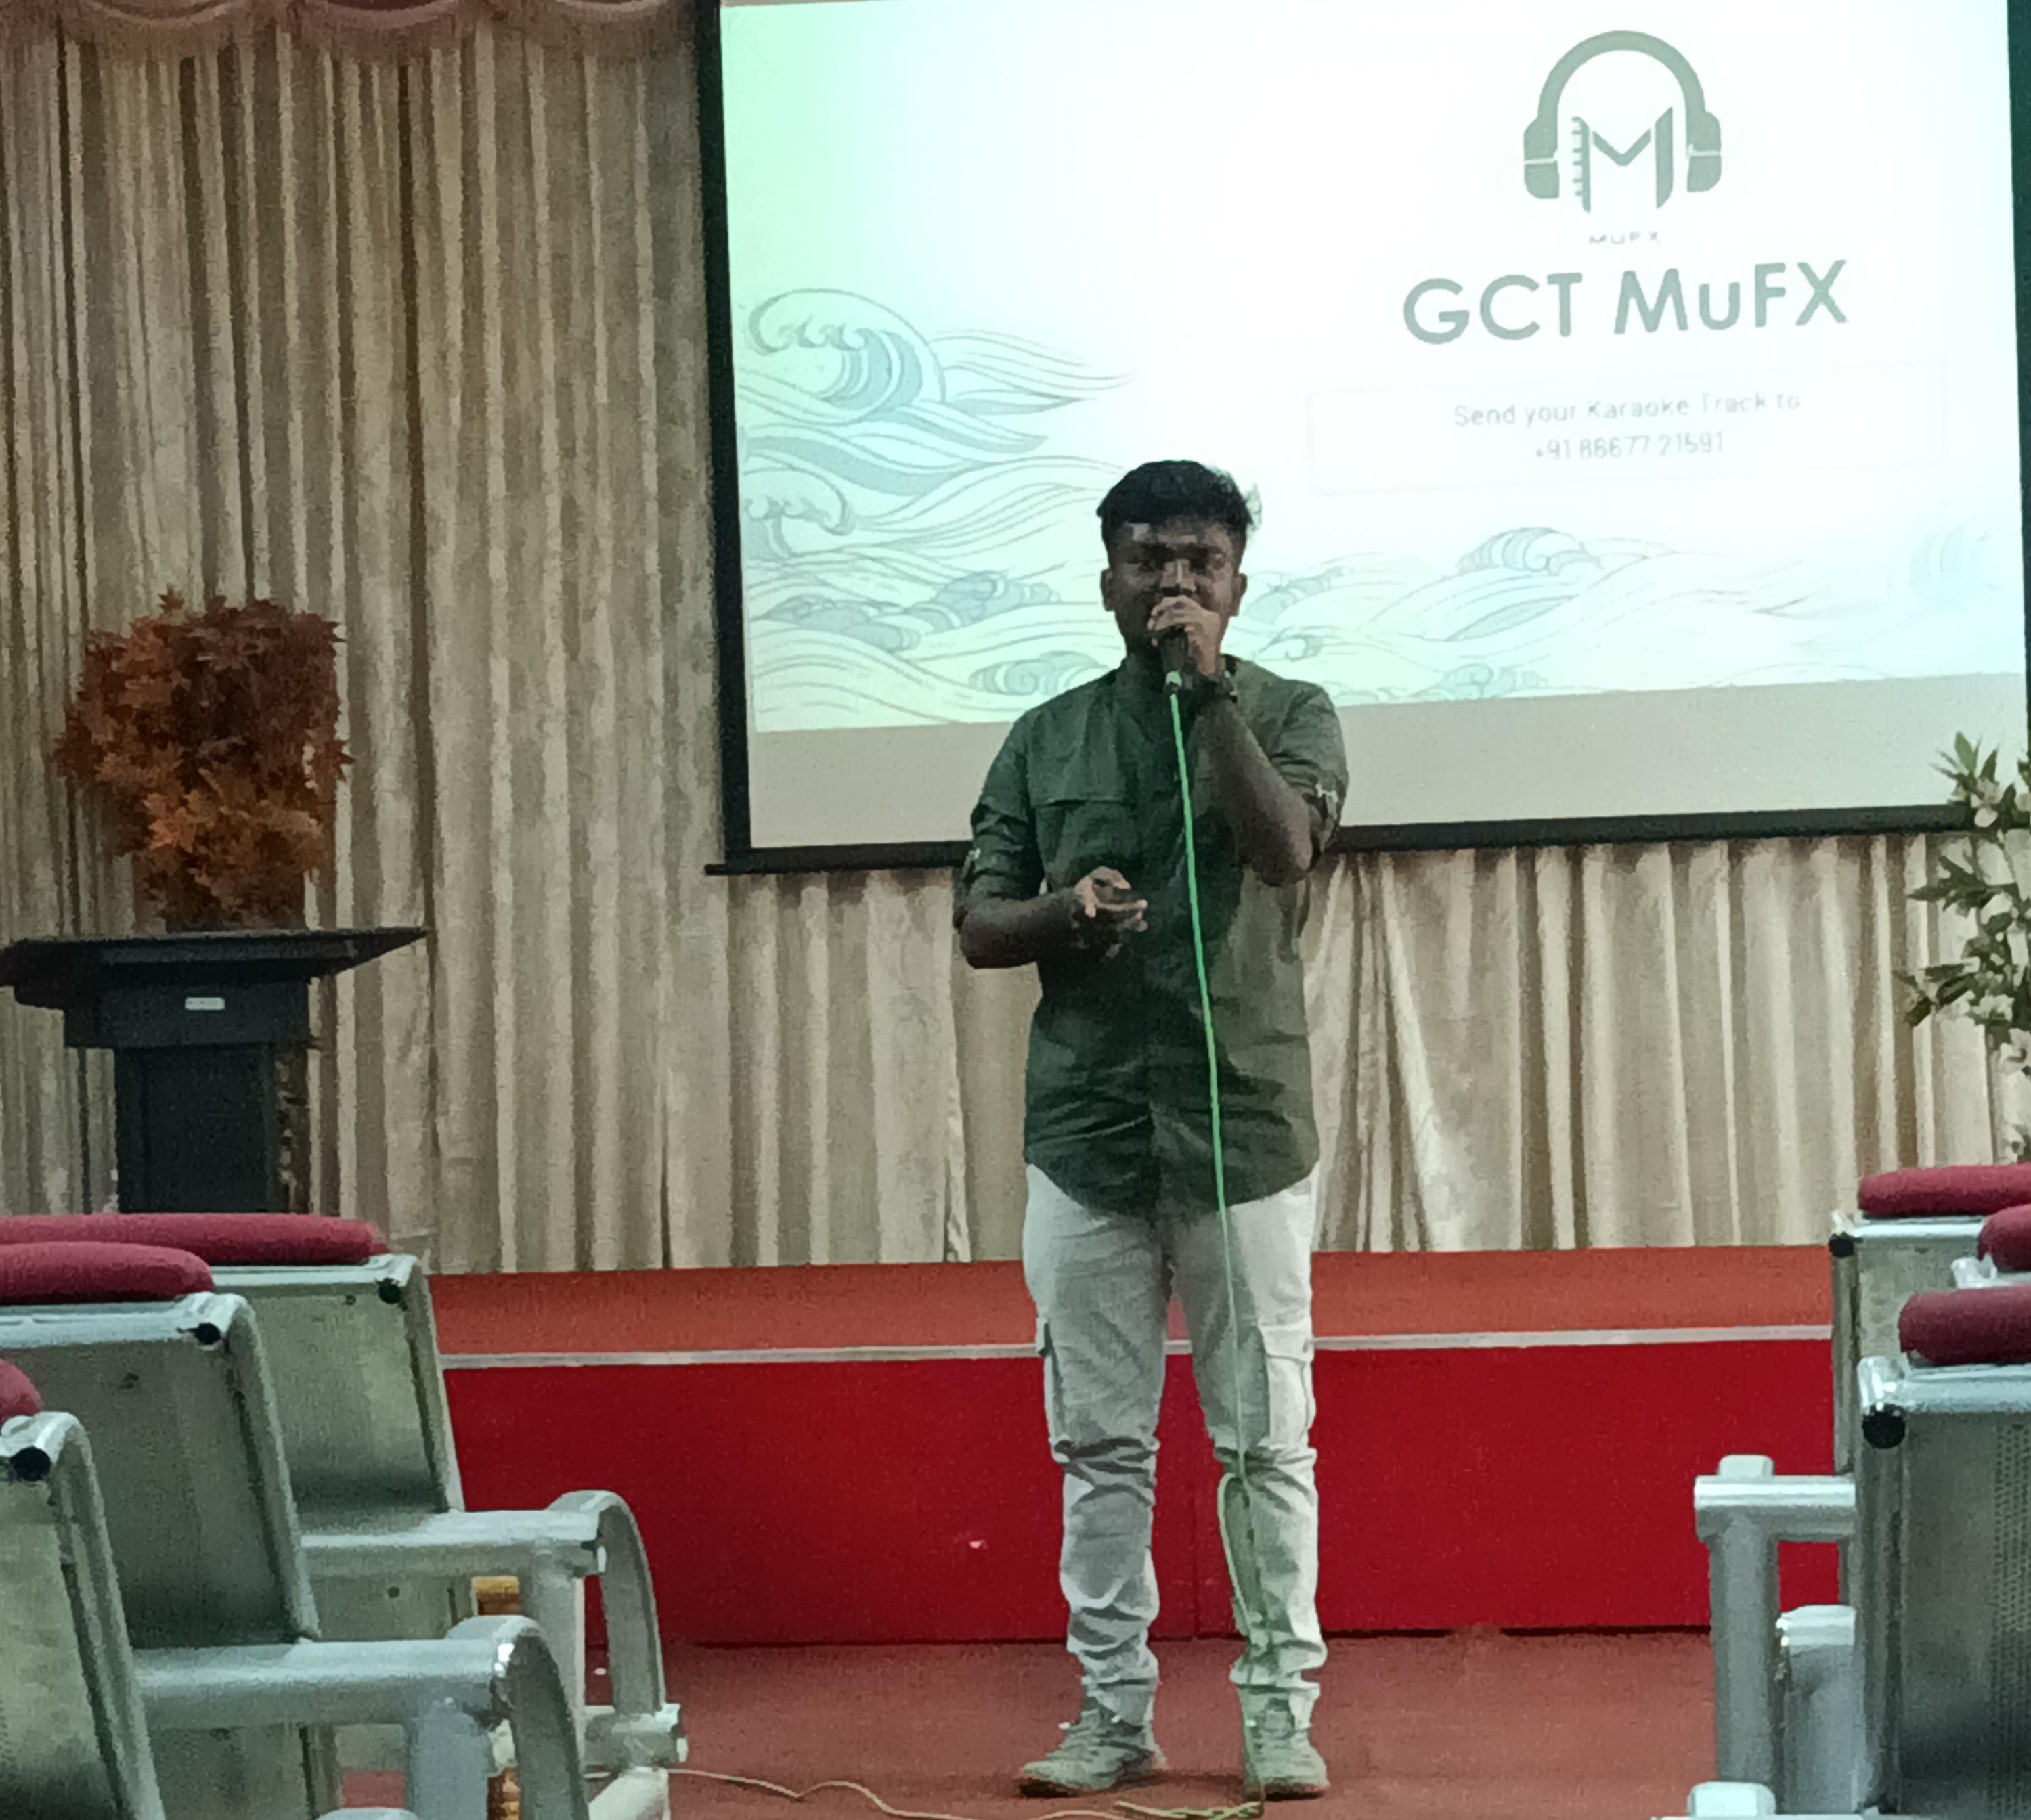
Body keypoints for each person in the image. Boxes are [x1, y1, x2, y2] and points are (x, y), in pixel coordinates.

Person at [954, 460, 1349, 1802]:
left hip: (1245, 1123)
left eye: (1199, 562)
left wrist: (1211, 692)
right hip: (1088, 1130)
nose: (1173, 582)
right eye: (1148, 560)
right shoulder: (1046, 735)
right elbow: (979, 923)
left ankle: (1279, 1713)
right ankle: (1112, 1712)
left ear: (1237, 582)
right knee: (1100, 1444)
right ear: (1107, 579)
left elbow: (1285, 850)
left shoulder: (1289, 711)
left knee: (1263, 1436)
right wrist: (1064, 914)